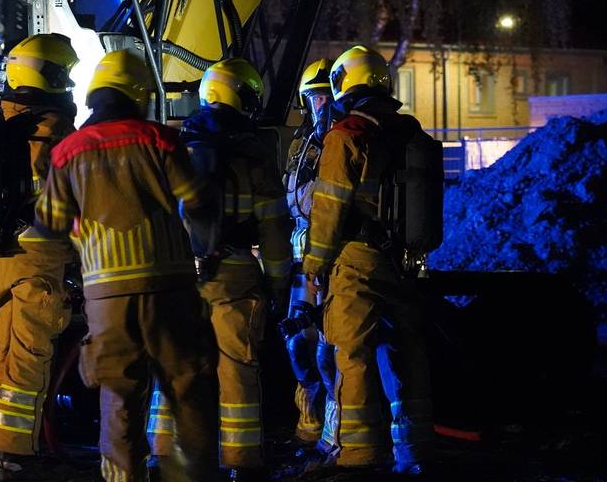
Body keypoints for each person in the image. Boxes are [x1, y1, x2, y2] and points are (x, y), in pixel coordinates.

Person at [33, 49, 220, 482]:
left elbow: (49, 227)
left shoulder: (66, 153)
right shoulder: (161, 139)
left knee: (119, 398)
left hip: (106, 299)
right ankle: (195, 476)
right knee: (188, 390)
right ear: (139, 95)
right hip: (169, 289)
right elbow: (197, 202)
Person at [147, 58, 292, 481]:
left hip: (177, 276)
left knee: (174, 365)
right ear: (239, 95)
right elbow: (274, 226)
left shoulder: (172, 144)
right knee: (237, 367)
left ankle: (162, 454)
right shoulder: (253, 153)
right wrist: (279, 282)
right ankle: (241, 461)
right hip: (234, 272)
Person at [302, 46, 436, 473]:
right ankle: (413, 451)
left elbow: (328, 210)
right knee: (405, 355)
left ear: (344, 81)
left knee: (352, 355)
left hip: (356, 264)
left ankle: (357, 455)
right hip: (404, 263)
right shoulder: (410, 133)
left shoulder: (347, 134)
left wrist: (314, 267)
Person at [0, 34, 80, 478]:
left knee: (6, 353)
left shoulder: (3, 122)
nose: (68, 83)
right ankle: (17, 461)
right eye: (63, 74)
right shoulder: (54, 129)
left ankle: (4, 451)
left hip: (1, 254)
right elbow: (74, 197)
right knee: (28, 355)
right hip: (39, 257)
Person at [279, 58, 338, 446]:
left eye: (325, 96)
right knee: (297, 340)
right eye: (313, 97)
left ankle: (334, 432)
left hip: (332, 256)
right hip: (301, 256)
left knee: (328, 347)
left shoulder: (344, 140)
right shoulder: (302, 145)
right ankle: (309, 424)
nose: (320, 104)